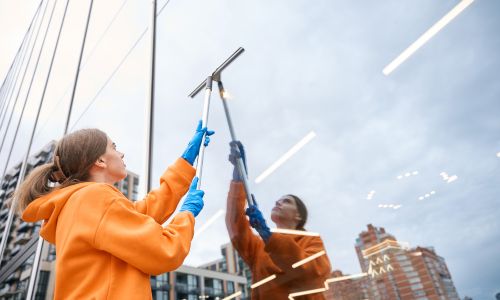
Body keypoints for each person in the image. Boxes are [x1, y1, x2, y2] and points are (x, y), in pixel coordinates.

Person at [15, 121, 214, 299]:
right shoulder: (95, 198)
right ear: (100, 161)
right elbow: (164, 251)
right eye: (114, 147)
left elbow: (141, 214)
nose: (121, 153)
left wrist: (185, 162)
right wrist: (186, 214)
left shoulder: (79, 202)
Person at [226, 141, 331, 299]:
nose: (278, 202)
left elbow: (311, 274)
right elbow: (236, 226)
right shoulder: (259, 247)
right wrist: (239, 181)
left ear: (298, 216)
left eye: (287, 201)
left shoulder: (311, 242)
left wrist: (268, 235)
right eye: (278, 200)